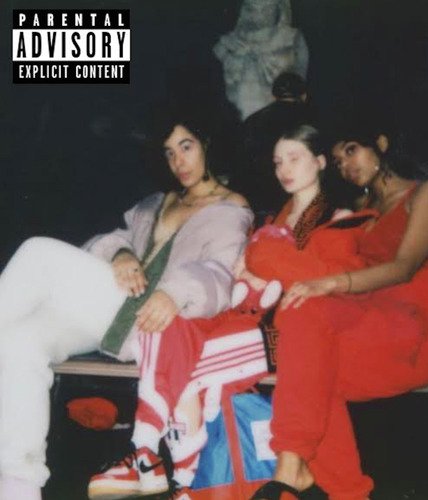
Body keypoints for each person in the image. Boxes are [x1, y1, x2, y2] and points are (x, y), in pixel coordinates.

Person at [88, 122, 362, 500]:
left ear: (319, 161)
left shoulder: (339, 217)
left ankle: (172, 470)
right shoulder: (274, 220)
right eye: (278, 161)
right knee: (169, 332)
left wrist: (263, 263)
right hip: (254, 324)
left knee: (184, 363)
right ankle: (165, 467)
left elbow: (332, 282)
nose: (284, 169)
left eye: (294, 158)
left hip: (294, 337)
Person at [0, 114, 252, 500]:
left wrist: (174, 293)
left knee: (37, 252)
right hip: (114, 310)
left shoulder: (230, 207)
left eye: (186, 147)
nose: (178, 161)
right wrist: (120, 253)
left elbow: (220, 274)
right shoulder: (157, 202)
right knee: (19, 341)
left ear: (207, 143)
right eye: (169, 152)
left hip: (154, 321)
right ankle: (20, 485)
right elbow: (111, 238)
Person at [249, 119, 428, 500]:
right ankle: (305, 471)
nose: (346, 165)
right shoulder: (360, 208)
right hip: (381, 318)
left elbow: (404, 268)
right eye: (338, 160)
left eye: (352, 151)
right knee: (309, 344)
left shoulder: (425, 192)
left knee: (314, 364)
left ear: (380, 143)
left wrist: (331, 283)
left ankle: (309, 475)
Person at [213, 0, 309, 120]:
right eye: (252, 8)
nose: (259, 14)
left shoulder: (293, 39)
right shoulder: (228, 42)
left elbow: (299, 83)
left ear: (279, 8)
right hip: (235, 117)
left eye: (266, 9)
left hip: (279, 118)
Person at [239, 72, 316, 215]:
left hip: (257, 201)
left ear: (274, 96)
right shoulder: (314, 119)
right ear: (304, 96)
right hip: (298, 202)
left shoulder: (252, 121)